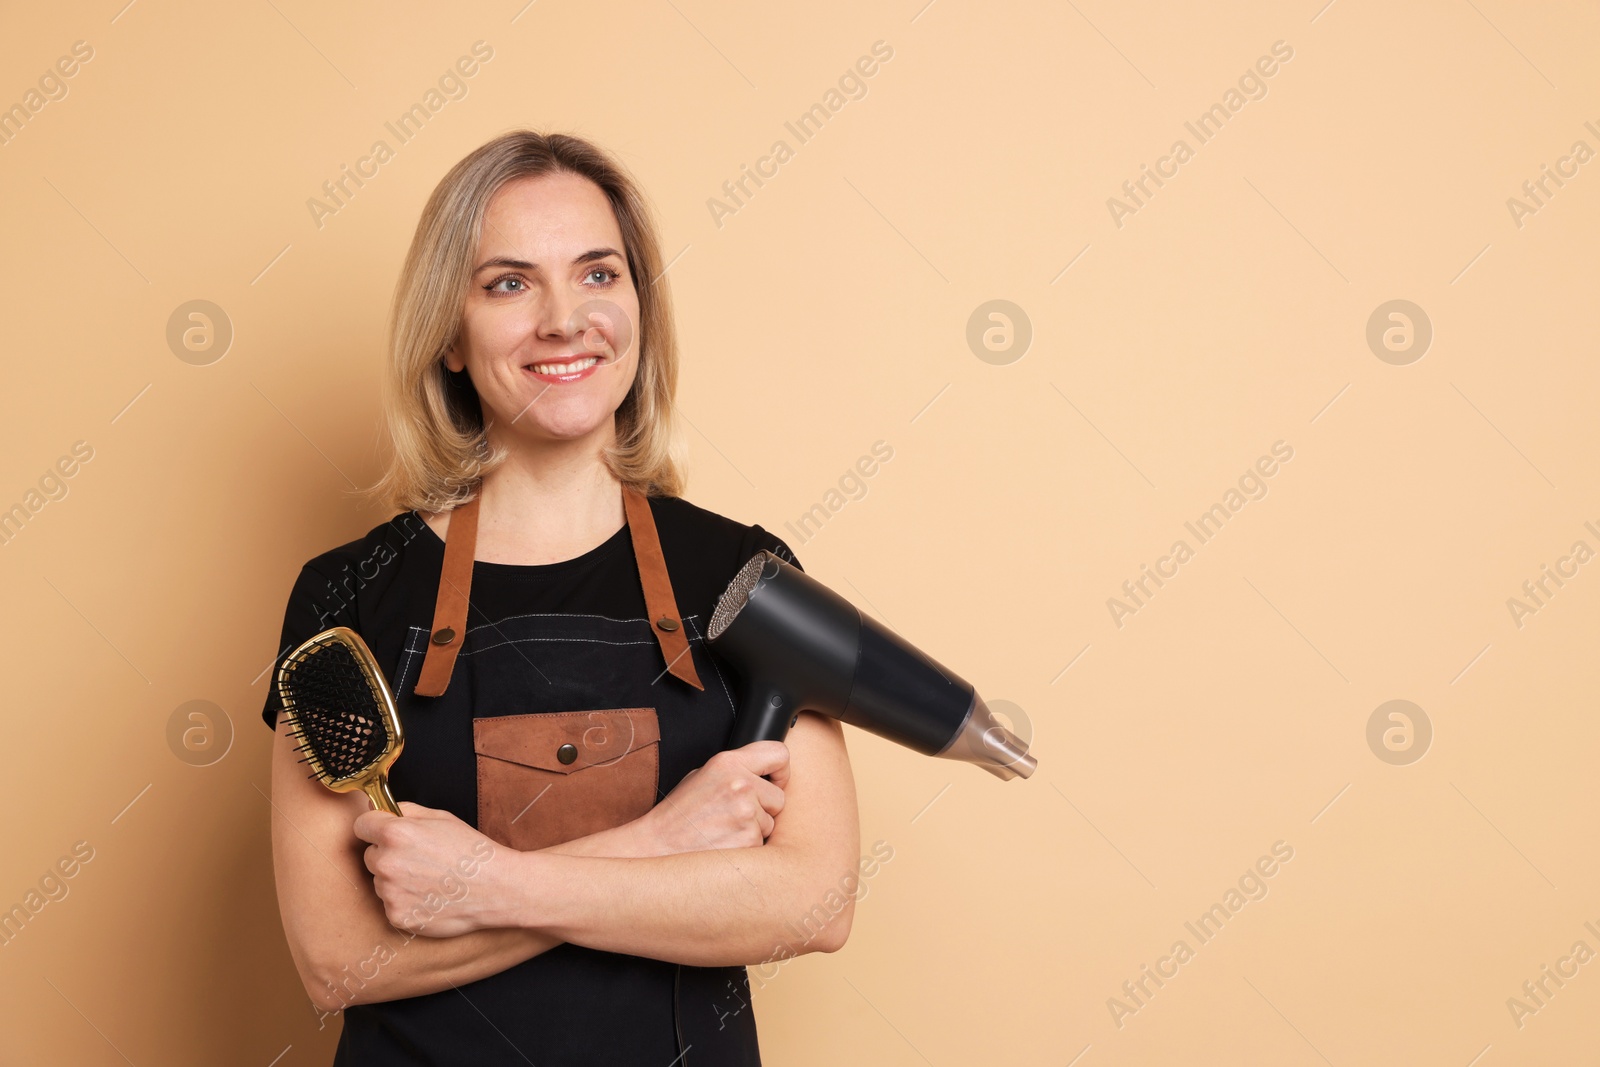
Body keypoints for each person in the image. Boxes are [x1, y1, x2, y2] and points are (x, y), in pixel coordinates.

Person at [261, 129, 860, 1066]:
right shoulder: (349, 593)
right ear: (449, 336)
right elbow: (337, 961)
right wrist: (662, 842)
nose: (563, 320)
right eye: (508, 283)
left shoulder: (745, 580)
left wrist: (487, 884)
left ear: (637, 309)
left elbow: (816, 901)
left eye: (597, 274)